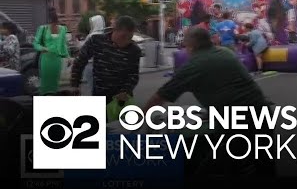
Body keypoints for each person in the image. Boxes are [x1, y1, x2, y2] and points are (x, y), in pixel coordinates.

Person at [142, 27, 275, 176]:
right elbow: (228, 88)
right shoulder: (226, 53)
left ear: (191, 46)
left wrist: (140, 118)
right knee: (265, 168)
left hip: (236, 124)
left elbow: (160, 97)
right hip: (261, 113)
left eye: (185, 46)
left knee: (216, 169)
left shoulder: (193, 66)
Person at [70, 16, 141, 103]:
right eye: (123, 36)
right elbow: (79, 62)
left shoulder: (134, 50)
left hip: (121, 99)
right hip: (100, 95)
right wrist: (75, 85)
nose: (126, 41)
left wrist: (126, 91)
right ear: (115, 30)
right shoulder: (96, 41)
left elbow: (133, 75)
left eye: (130, 37)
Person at [34, 8, 69, 95]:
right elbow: (35, 43)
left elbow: (64, 44)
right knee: (45, 83)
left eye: (55, 22)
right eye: (52, 22)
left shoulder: (63, 29)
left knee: (55, 82)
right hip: (46, 59)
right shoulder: (43, 29)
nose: (53, 24)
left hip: (57, 59)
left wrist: (68, 56)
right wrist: (43, 48)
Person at [78, 14, 106, 94]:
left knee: (92, 88)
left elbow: (84, 49)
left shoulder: (92, 36)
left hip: (90, 65)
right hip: (102, 66)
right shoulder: (104, 35)